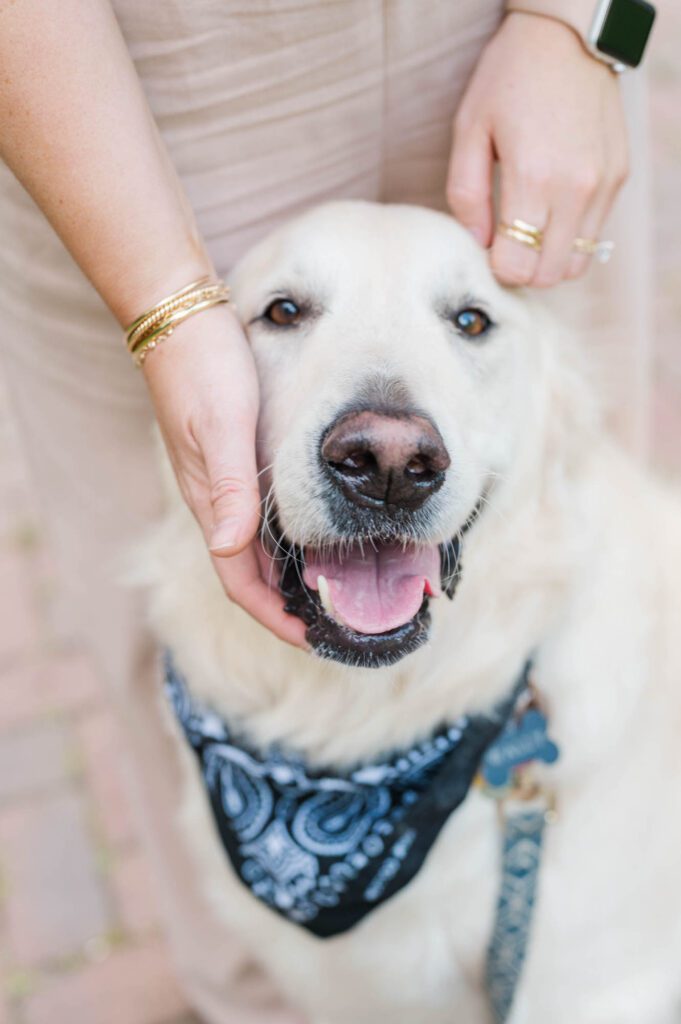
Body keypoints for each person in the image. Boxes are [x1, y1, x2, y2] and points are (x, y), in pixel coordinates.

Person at [0, 1, 652, 1020]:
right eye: (287, 313)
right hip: (135, 91)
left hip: (505, 47)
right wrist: (169, 310)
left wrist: (580, 22)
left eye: (468, 319)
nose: (389, 454)